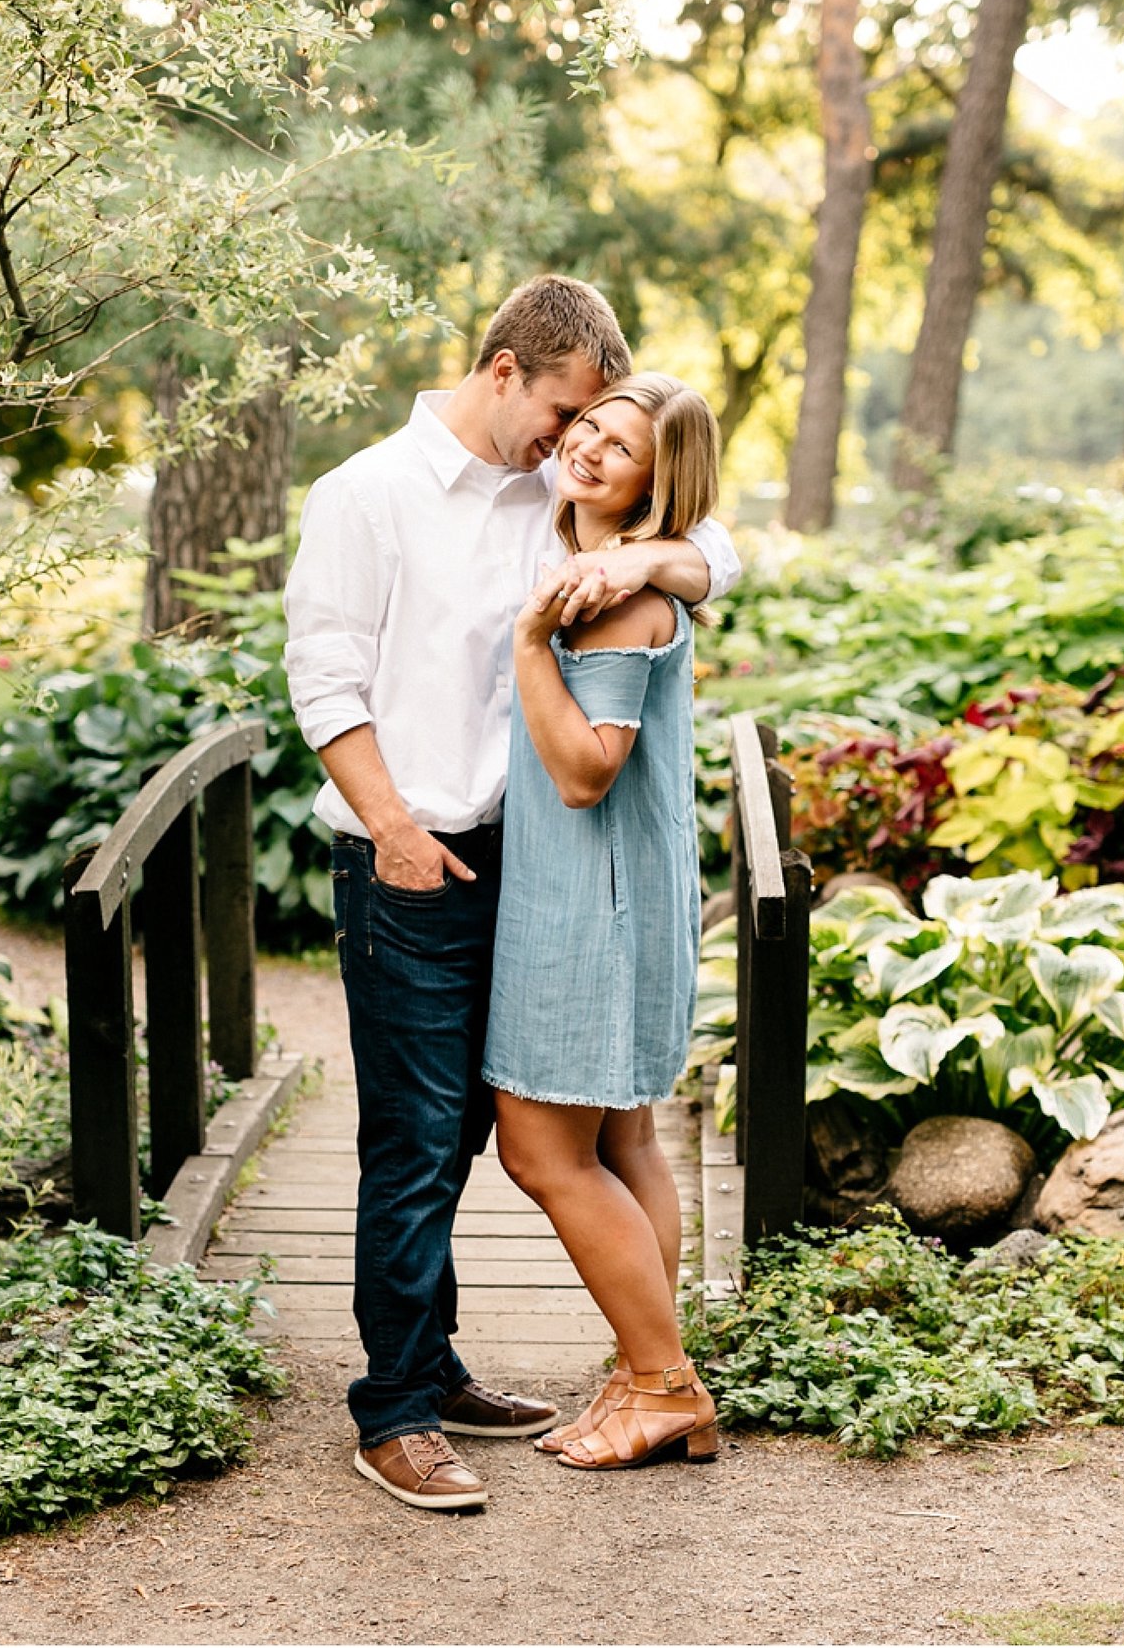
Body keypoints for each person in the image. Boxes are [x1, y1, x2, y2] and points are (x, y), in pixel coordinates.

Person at [284, 276, 740, 1512]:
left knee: (512, 1135)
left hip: (534, 877)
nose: (567, 438)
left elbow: (714, 544)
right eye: (558, 410)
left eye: (587, 422)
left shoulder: (555, 486)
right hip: (415, 864)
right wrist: (390, 828)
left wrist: (650, 550)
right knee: (418, 1146)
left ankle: (461, 1366)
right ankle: (392, 1412)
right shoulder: (364, 496)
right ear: (501, 370)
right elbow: (325, 679)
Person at [484, 373, 720, 1471]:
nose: (586, 449)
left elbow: (585, 774)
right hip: (611, 890)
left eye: (619, 447)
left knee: (544, 1153)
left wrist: (530, 643)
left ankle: (664, 1384)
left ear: (654, 485)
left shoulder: (617, 601)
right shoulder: (601, 563)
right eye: (586, 425)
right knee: (624, 1140)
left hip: (596, 904)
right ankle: (642, 1381)